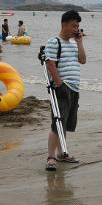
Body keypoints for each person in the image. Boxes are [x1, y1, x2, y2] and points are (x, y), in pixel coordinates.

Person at [44, 10, 86, 171]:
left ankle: (63, 153)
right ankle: (51, 156)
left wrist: (80, 42)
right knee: (58, 122)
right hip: (62, 87)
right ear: (64, 24)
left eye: (78, 26)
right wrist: (59, 83)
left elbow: (82, 60)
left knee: (66, 121)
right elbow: (50, 63)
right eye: (73, 26)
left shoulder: (74, 43)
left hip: (74, 87)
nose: (76, 29)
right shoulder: (54, 41)